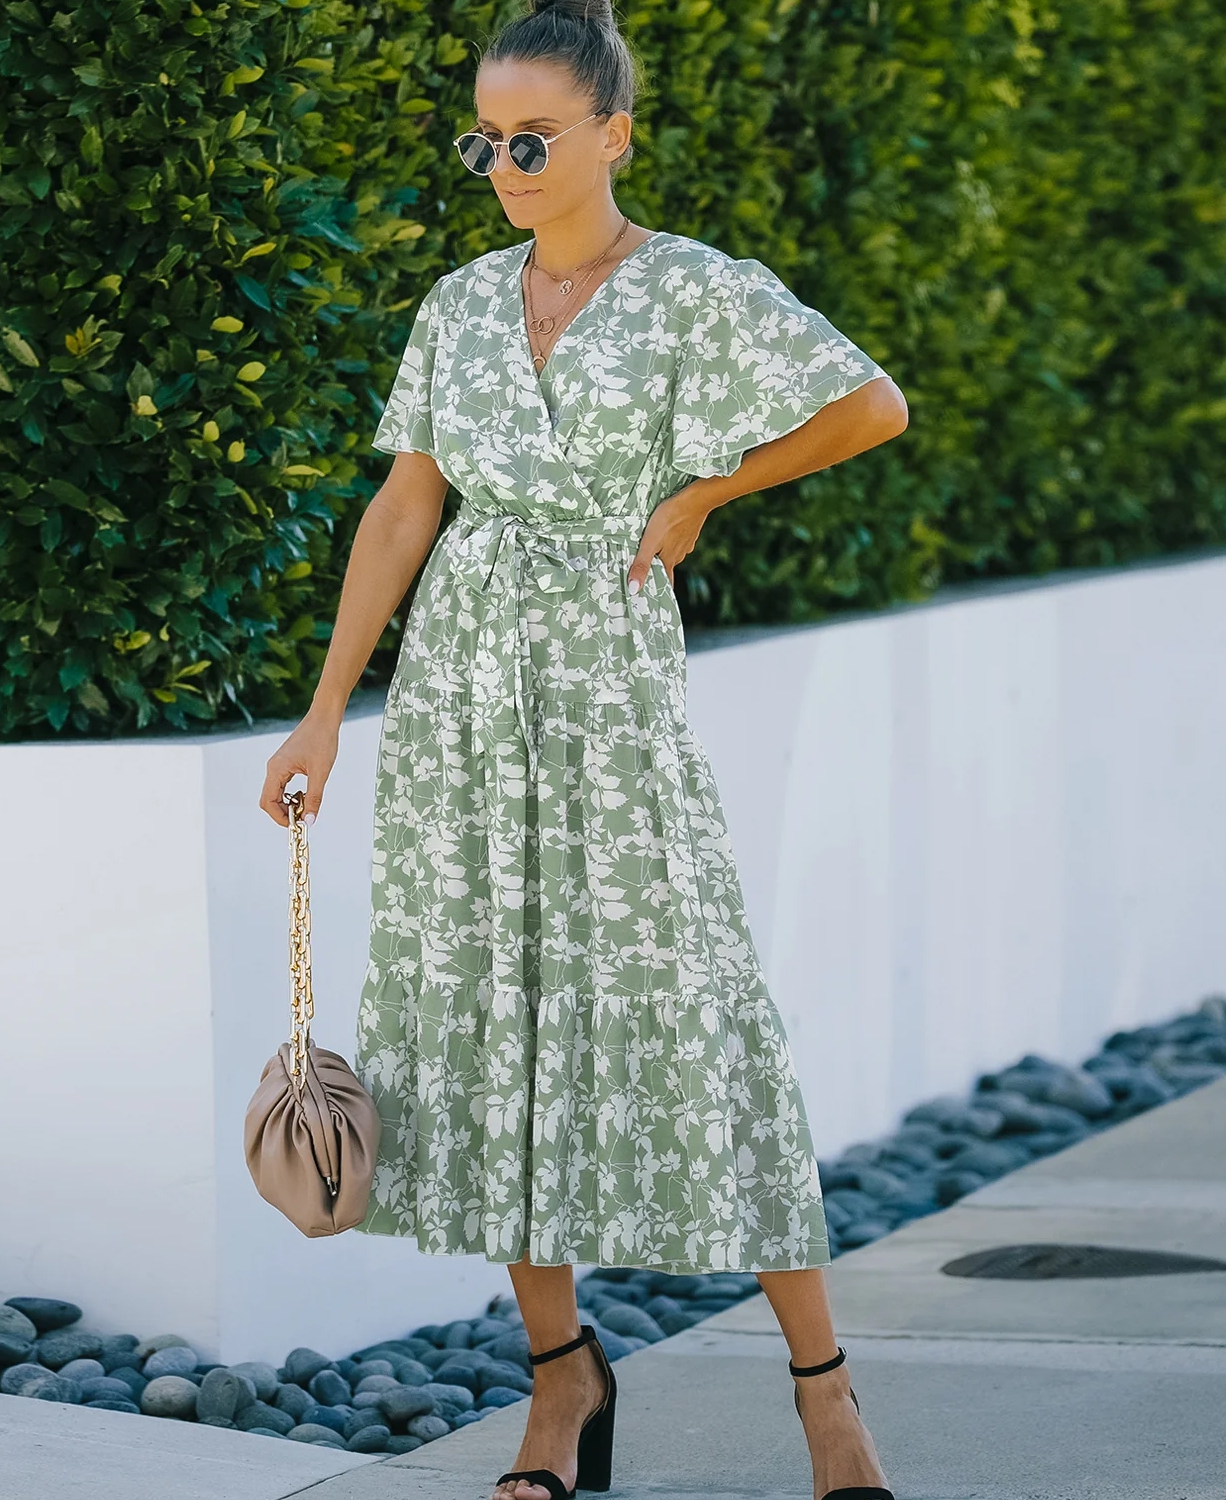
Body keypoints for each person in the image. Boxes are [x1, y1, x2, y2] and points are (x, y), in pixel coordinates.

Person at [259, 1, 908, 1495]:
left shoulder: (693, 291)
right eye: (485, 138)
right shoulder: (460, 303)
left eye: (534, 137)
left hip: (610, 692)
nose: (506, 164)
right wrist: (323, 713)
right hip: (462, 703)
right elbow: (407, 506)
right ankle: (561, 1387)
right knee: (485, 1031)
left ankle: (826, 1399)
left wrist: (707, 495)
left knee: (698, 1012)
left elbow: (873, 405)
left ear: (613, 134)